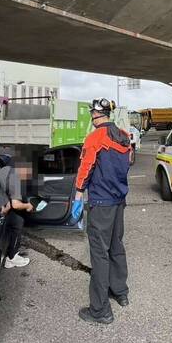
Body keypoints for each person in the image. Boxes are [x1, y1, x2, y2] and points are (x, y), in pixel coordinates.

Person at [71, 98, 132, 324]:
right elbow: (129, 163)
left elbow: (86, 167)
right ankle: (120, 292)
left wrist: (78, 194)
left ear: (95, 115)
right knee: (116, 246)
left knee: (99, 253)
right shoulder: (124, 136)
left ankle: (100, 310)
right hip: (119, 202)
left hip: (101, 203)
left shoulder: (95, 137)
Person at [0, 164, 34, 268]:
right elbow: (16, 205)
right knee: (18, 221)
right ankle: (12, 258)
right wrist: (28, 206)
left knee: (15, 218)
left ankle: (10, 251)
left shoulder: (6, 169)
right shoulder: (16, 179)